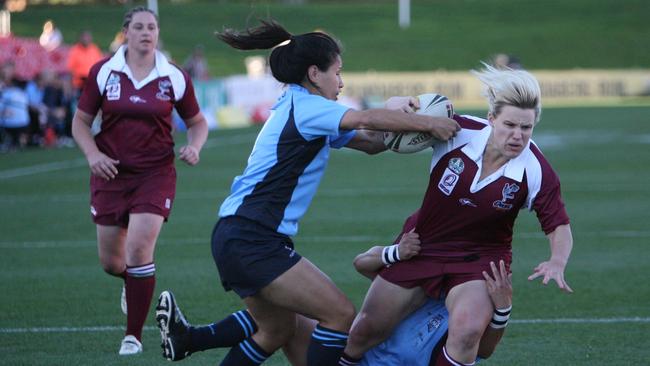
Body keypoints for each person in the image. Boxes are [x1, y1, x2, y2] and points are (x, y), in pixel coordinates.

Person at [154, 19, 460, 366]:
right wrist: (429, 123)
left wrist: (403, 112)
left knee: (276, 329)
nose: (342, 83)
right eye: (338, 73)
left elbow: (372, 143)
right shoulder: (307, 107)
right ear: (315, 73)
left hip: (240, 235)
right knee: (340, 314)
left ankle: (188, 338)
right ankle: (190, 338)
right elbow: (364, 119)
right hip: (252, 237)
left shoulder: (303, 106)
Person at [341, 63, 574, 366]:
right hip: (422, 246)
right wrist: (398, 104)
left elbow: (559, 225)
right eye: (510, 125)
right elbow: (394, 120)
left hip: (479, 262)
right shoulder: (458, 131)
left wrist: (557, 261)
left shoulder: (537, 170)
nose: (518, 135)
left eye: (526, 128)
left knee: (466, 335)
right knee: (362, 332)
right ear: (492, 119)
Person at [153, 226, 511, 365]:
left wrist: (502, 308)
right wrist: (397, 253)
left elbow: (484, 348)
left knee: (286, 319)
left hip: (348, 357)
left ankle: (191, 339)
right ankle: (191, 339)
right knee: (284, 311)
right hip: (339, 354)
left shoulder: (468, 310)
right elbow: (364, 263)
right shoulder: (425, 278)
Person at [70, 6, 209, 356]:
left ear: (157, 34)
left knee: (139, 250)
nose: (146, 33)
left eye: (152, 27)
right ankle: (132, 280)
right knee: (112, 263)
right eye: (139, 27)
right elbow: (80, 123)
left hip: (156, 174)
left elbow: (198, 122)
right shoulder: (104, 72)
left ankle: (132, 337)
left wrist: (194, 147)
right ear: (126, 33)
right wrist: (93, 156)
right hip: (110, 173)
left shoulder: (173, 76)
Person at [67, 30, 104, 96]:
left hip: (92, 80)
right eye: (84, 37)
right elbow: (70, 69)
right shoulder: (75, 50)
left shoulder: (94, 49)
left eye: (88, 37)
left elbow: (100, 65)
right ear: (80, 38)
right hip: (79, 82)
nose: (86, 39)